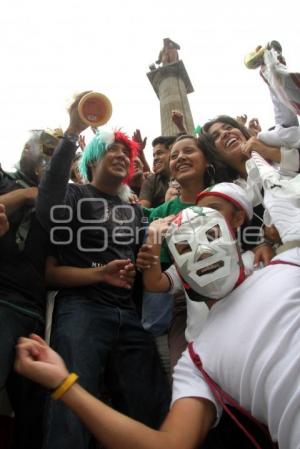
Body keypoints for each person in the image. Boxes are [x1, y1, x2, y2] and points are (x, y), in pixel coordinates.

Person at [14, 171, 300, 449]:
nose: (201, 251)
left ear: (233, 227)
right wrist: (64, 384)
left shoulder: (288, 264)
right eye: (185, 245)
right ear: (174, 260)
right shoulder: (198, 360)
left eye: (210, 231)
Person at [36, 94, 171, 449]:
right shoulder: (76, 195)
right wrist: (72, 132)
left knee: (152, 406)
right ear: (94, 156)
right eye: (112, 149)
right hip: (81, 309)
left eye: (126, 153)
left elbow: (149, 262)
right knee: (71, 406)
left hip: (129, 317)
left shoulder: (135, 212)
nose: (122, 156)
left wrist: (147, 257)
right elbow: (47, 210)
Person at [0, 127, 61, 449]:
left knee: (32, 413)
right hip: (3, 300)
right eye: (45, 150)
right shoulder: (5, 178)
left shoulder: (55, 202)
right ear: (27, 149)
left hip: (35, 312)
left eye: (56, 154)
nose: (48, 157)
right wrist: (26, 194)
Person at [202, 115, 276, 266]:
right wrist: (263, 242)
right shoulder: (228, 195)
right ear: (214, 153)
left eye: (228, 127)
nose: (225, 133)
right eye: (216, 136)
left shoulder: (278, 150)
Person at [139, 135, 176, 208]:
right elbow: (143, 212)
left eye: (159, 153)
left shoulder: (187, 175)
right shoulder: (150, 180)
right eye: (154, 155)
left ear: (172, 153)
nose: (155, 158)